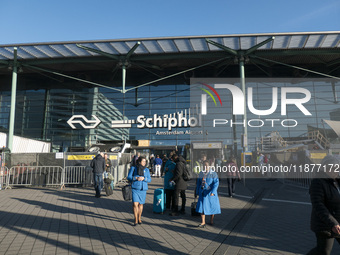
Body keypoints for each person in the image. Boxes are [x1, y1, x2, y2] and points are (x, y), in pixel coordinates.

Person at [307, 155, 340, 255]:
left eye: (338, 167)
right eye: (333, 168)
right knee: (323, 251)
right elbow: (318, 205)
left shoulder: (336, 180)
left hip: (338, 221)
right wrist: (333, 223)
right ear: (325, 168)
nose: (336, 170)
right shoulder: (318, 182)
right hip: (325, 224)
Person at [195, 160, 221, 228]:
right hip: (202, 193)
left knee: (211, 207)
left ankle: (211, 220)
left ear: (209, 166)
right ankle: (203, 222)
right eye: (204, 165)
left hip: (210, 194)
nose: (205, 166)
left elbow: (216, 183)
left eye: (206, 165)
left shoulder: (213, 173)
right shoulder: (201, 173)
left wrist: (213, 192)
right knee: (201, 207)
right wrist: (197, 191)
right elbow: (198, 183)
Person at [127, 156, 151, 226]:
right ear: (139, 162)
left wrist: (144, 178)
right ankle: (135, 219)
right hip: (135, 188)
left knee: (141, 204)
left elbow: (149, 179)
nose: (144, 163)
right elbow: (129, 177)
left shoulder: (146, 170)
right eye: (143, 161)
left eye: (145, 161)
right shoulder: (133, 168)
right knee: (135, 204)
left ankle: (139, 218)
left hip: (143, 189)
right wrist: (136, 178)